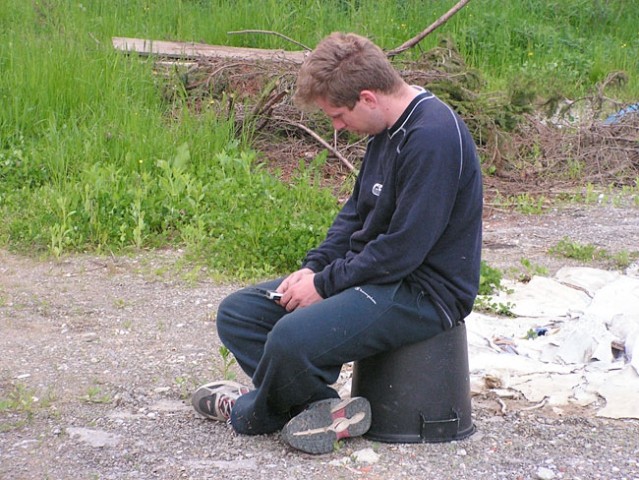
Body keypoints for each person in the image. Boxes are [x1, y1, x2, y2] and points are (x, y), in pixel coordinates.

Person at [191, 32, 483, 455]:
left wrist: (326, 285)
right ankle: (323, 410)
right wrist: (314, 269)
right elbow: (354, 216)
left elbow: (403, 251)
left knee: (290, 339)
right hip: (381, 276)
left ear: (367, 97)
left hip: (424, 291)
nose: (337, 127)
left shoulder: (432, 137)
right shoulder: (386, 128)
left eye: (338, 115)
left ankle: (250, 412)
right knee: (240, 314)